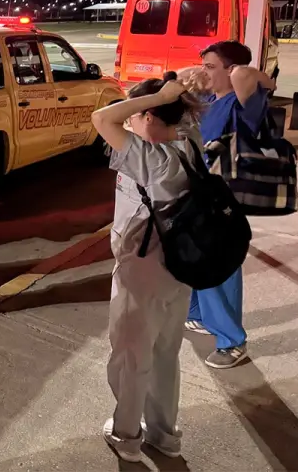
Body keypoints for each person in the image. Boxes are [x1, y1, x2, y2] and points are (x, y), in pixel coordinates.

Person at [91, 72, 204, 463]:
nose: (129, 122)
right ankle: (164, 434)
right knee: (165, 354)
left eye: (137, 115)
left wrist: (160, 95)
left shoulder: (151, 159)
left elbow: (102, 118)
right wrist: (178, 91)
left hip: (142, 272)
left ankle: (126, 435)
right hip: (180, 271)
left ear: (151, 115)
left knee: (130, 357)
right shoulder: (188, 144)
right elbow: (179, 119)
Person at [180, 40, 274, 369]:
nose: (202, 72)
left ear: (231, 70)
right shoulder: (206, 99)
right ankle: (199, 315)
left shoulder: (245, 102)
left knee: (219, 265)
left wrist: (248, 73)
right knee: (194, 255)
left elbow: (249, 75)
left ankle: (232, 341)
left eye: (210, 67)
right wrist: (198, 74)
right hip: (199, 193)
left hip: (226, 197)